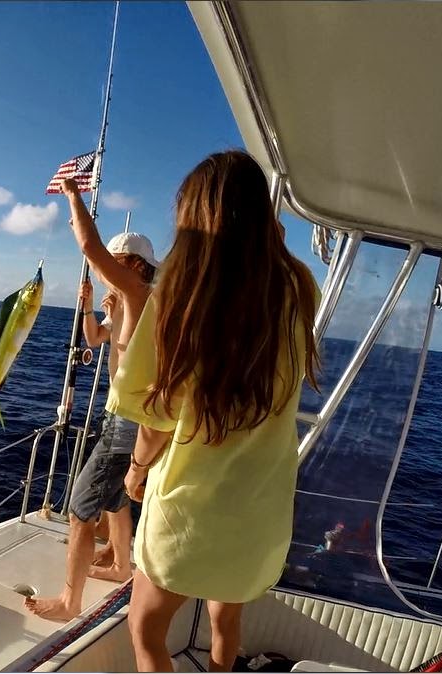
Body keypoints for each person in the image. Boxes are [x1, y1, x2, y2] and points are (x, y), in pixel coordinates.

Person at [109, 150, 320, 671]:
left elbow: (155, 418)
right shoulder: (298, 288)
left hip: (190, 515)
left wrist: (135, 474)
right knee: (227, 621)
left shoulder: (178, 299)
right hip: (260, 515)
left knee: (146, 630)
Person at [23, 177, 157, 622]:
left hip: (128, 419)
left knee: (82, 508)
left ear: (137, 266)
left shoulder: (140, 294)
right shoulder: (127, 300)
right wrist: (86, 306)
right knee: (116, 498)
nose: (108, 270)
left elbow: (88, 245)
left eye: (117, 263)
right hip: (123, 414)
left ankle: (69, 601)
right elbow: (95, 338)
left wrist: (73, 194)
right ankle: (121, 564)